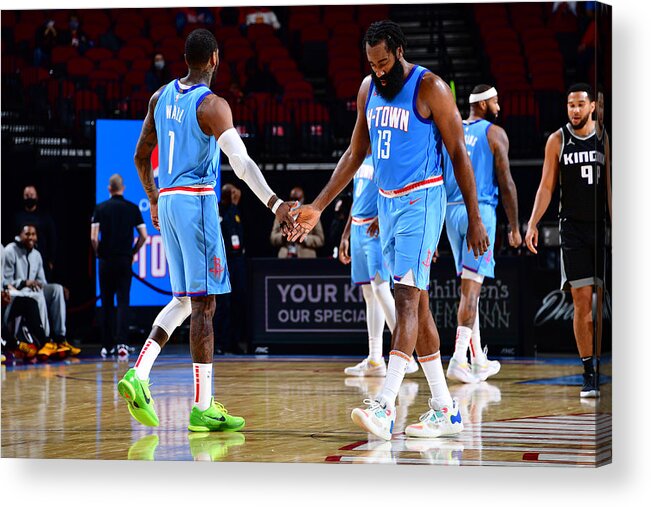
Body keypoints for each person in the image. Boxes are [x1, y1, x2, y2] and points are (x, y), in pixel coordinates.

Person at [289, 20, 489, 441]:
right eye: (372, 65)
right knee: (420, 305)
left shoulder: (430, 87)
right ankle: (445, 409)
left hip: (423, 199)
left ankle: (384, 405)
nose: (378, 71)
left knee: (405, 299)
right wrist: (318, 207)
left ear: (398, 50)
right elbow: (355, 152)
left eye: (383, 63)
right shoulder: (367, 89)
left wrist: (474, 217)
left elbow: (458, 155)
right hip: (388, 202)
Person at [118, 28, 296, 432]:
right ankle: (202, 406)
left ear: (186, 59)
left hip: (169, 199)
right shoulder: (213, 106)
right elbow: (242, 163)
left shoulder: (159, 96)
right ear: (215, 58)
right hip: (196, 201)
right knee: (204, 307)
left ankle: (139, 372)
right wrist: (276, 204)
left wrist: (152, 198)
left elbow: (140, 155)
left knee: (183, 301)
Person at [525, 83, 610, 398]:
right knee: (582, 302)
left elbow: (611, 186)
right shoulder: (557, 140)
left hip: (600, 227)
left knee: (605, 301)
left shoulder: (604, 138)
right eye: (570, 105)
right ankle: (588, 371)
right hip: (571, 229)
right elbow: (546, 187)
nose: (574, 110)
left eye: (580, 105)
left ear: (591, 107)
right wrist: (533, 222)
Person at [443, 84, 521, 383]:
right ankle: (459, 358)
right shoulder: (494, 133)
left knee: (467, 287)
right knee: (471, 291)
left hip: (450, 212)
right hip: (480, 213)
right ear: (485, 104)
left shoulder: (451, 129)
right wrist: (514, 227)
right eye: (496, 101)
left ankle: (478, 360)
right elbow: (507, 183)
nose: (499, 105)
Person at [339, 152, 418, 377]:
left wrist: (383, 218)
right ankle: (375, 359)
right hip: (357, 228)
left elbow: (396, 193)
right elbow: (357, 199)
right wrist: (345, 235)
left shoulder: (386, 156)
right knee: (369, 294)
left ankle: (406, 354)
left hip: (376, 230)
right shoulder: (359, 159)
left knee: (380, 288)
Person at [91, 174, 148, 358]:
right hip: (124, 260)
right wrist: (132, 252)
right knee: (123, 301)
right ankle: (122, 344)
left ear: (109, 189)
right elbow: (144, 236)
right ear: (123, 188)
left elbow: (93, 237)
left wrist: (99, 252)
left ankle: (107, 346)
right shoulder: (132, 208)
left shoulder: (101, 208)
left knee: (107, 302)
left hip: (106, 260)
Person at [2, 225, 79, 359]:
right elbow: (6, 281)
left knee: (57, 289)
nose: (31, 237)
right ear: (19, 235)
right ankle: (45, 340)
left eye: (33, 234)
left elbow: (42, 282)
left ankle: (60, 338)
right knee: (36, 296)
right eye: (27, 234)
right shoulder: (9, 250)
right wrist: (24, 282)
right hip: (17, 290)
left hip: (32, 289)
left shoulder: (36, 254)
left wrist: (55, 287)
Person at [213, 183, 246, 354]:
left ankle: (235, 341)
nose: (235, 196)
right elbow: (222, 228)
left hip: (237, 261)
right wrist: (232, 205)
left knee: (238, 301)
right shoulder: (219, 210)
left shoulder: (236, 211)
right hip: (223, 261)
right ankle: (219, 342)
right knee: (223, 305)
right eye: (232, 193)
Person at [13, 185, 58, 280]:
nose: (29, 197)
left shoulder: (45, 217)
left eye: (32, 195)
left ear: (37, 196)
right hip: (21, 260)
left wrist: (51, 261)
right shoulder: (17, 217)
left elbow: (52, 239)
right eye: (26, 195)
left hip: (42, 259)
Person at [271, 186, 324, 258]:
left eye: (297, 199)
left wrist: (304, 238)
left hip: (306, 258)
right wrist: (284, 236)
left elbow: (320, 240)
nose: (295, 202)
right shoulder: (282, 214)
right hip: (285, 258)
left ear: (303, 199)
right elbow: (273, 238)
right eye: (292, 199)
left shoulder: (311, 214)